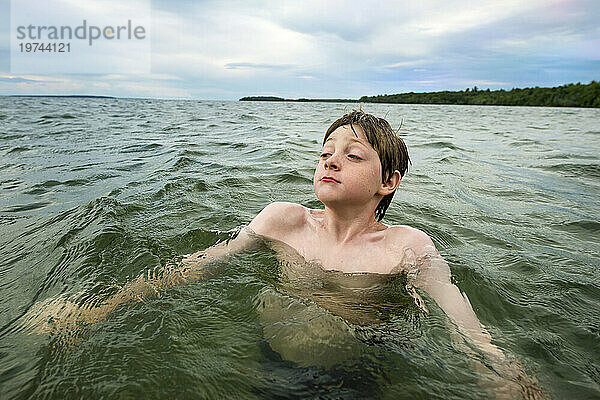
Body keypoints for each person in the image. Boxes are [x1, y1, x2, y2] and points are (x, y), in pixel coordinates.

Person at [24, 110, 545, 399]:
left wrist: (502, 374)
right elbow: (193, 269)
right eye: (325, 153)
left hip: (359, 374)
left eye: (352, 154)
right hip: (269, 359)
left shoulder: (406, 248)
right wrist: (99, 307)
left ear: (389, 181)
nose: (330, 161)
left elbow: (461, 319)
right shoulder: (282, 221)